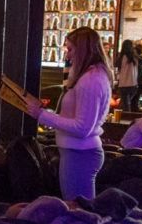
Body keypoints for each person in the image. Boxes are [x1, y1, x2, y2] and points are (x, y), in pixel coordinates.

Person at [26, 26, 112, 201]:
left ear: (83, 50)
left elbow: (82, 128)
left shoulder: (91, 80)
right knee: (78, 208)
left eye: (70, 49)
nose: (67, 54)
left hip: (80, 152)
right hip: (78, 151)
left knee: (79, 212)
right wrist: (47, 113)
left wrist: (42, 115)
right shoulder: (92, 76)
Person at [116, 40, 139, 112]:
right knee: (126, 103)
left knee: (125, 105)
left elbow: (118, 69)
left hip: (124, 84)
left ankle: (125, 120)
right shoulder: (135, 58)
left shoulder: (122, 57)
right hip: (133, 84)